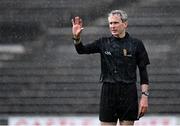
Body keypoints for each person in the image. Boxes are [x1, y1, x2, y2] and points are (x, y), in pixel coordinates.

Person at [71, 9, 150, 126]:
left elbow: (143, 72)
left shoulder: (136, 44)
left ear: (125, 24)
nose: (112, 26)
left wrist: (144, 97)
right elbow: (82, 50)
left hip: (128, 92)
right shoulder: (103, 42)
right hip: (108, 92)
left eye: (116, 23)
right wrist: (76, 38)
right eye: (110, 23)